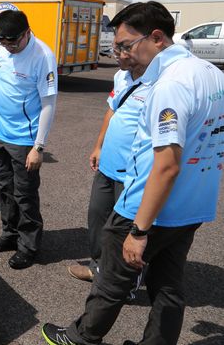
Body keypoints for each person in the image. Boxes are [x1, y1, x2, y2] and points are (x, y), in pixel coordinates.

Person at [42, 1, 224, 345]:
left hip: (147, 209)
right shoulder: (212, 74)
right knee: (168, 285)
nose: (122, 53)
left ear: (156, 37)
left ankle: (80, 337)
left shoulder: (170, 84)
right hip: (191, 206)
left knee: (112, 280)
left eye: (126, 45)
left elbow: (167, 166)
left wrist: (139, 229)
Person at [0, 10, 57, 270]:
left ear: (26, 33)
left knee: (25, 195)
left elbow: (48, 104)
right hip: (0, 134)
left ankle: (28, 246)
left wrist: (39, 146)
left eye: (13, 42)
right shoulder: (2, 50)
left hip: (25, 139)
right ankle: (9, 234)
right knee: (5, 189)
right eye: (3, 42)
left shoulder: (42, 56)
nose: (9, 48)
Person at [68, 42, 149, 282]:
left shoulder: (160, 84)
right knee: (98, 216)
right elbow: (112, 111)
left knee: (126, 228)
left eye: (122, 51)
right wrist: (98, 146)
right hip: (108, 165)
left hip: (134, 171)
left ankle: (126, 281)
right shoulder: (121, 77)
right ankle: (98, 266)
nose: (116, 56)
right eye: (115, 51)